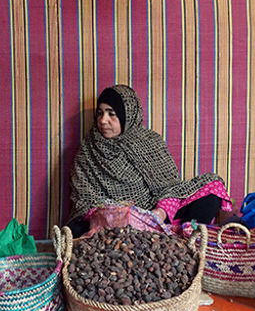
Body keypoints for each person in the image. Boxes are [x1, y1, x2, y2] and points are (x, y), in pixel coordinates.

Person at [66, 84, 233, 237]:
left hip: (160, 216)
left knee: (212, 185)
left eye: (112, 114)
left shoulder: (149, 143)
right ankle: (153, 237)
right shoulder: (88, 151)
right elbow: (83, 201)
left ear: (128, 115)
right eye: (100, 113)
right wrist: (113, 213)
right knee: (75, 230)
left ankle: (188, 235)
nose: (103, 120)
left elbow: (171, 187)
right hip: (114, 222)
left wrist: (160, 212)